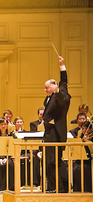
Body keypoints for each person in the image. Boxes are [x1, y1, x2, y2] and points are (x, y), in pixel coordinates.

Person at [42, 56, 70, 192]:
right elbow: (64, 80)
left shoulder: (62, 95)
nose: (45, 90)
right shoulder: (52, 95)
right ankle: (56, 187)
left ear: (53, 88)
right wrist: (62, 65)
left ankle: (57, 187)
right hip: (48, 134)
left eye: (47, 88)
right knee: (49, 162)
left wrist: (57, 90)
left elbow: (61, 97)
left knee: (52, 162)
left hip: (55, 134)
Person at [73, 121, 93, 192]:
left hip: (89, 160)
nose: (84, 130)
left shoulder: (91, 137)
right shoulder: (81, 136)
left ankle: (87, 189)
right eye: (83, 128)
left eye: (86, 128)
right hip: (81, 158)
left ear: (90, 129)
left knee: (81, 168)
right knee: (74, 167)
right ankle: (77, 189)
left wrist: (87, 141)